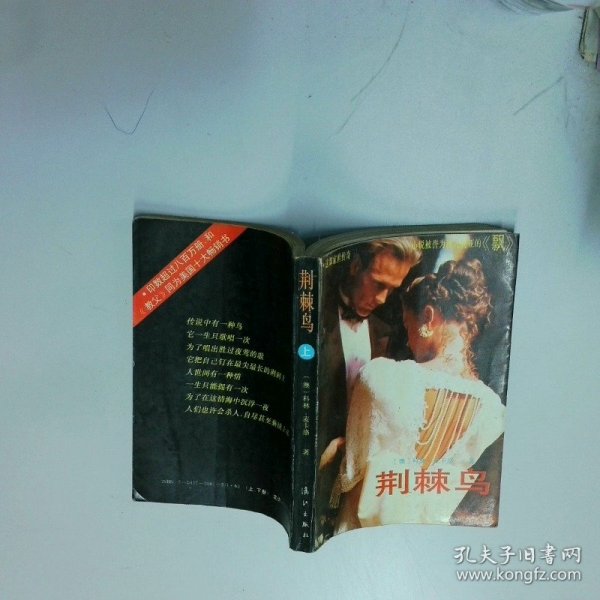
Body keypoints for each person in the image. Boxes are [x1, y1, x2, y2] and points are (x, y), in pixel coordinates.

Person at [332, 259, 505, 532]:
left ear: (428, 317)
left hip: (366, 534)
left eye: (407, 325)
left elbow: (352, 483)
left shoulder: (382, 377)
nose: (409, 341)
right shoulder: (494, 411)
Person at [315, 237, 422, 542]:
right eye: (378, 284)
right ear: (355, 266)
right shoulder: (313, 321)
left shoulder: (386, 335)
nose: (383, 299)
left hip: (360, 482)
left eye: (392, 289)